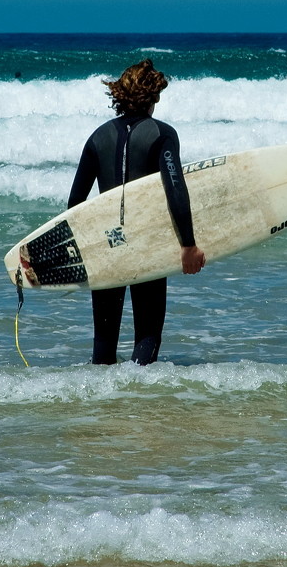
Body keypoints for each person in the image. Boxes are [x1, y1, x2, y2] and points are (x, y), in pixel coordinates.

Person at [68, 59, 206, 365]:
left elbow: (75, 204)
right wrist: (188, 245)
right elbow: (175, 189)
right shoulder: (162, 134)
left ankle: (102, 407)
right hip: (146, 242)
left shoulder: (97, 137)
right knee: (148, 336)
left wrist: (82, 253)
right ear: (153, 96)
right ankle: (139, 405)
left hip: (106, 245)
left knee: (103, 346)